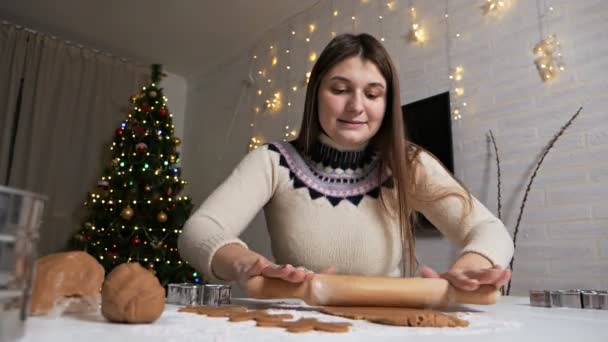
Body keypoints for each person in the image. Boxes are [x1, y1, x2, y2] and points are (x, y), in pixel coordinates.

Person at [178, 33, 514, 294]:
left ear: (387, 104)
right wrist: (245, 265)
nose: (356, 106)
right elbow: (200, 230)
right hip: (298, 328)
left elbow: (490, 230)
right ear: (316, 95)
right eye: (340, 89)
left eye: (372, 94)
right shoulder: (272, 162)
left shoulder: (408, 163)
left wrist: (471, 266)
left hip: (388, 331)